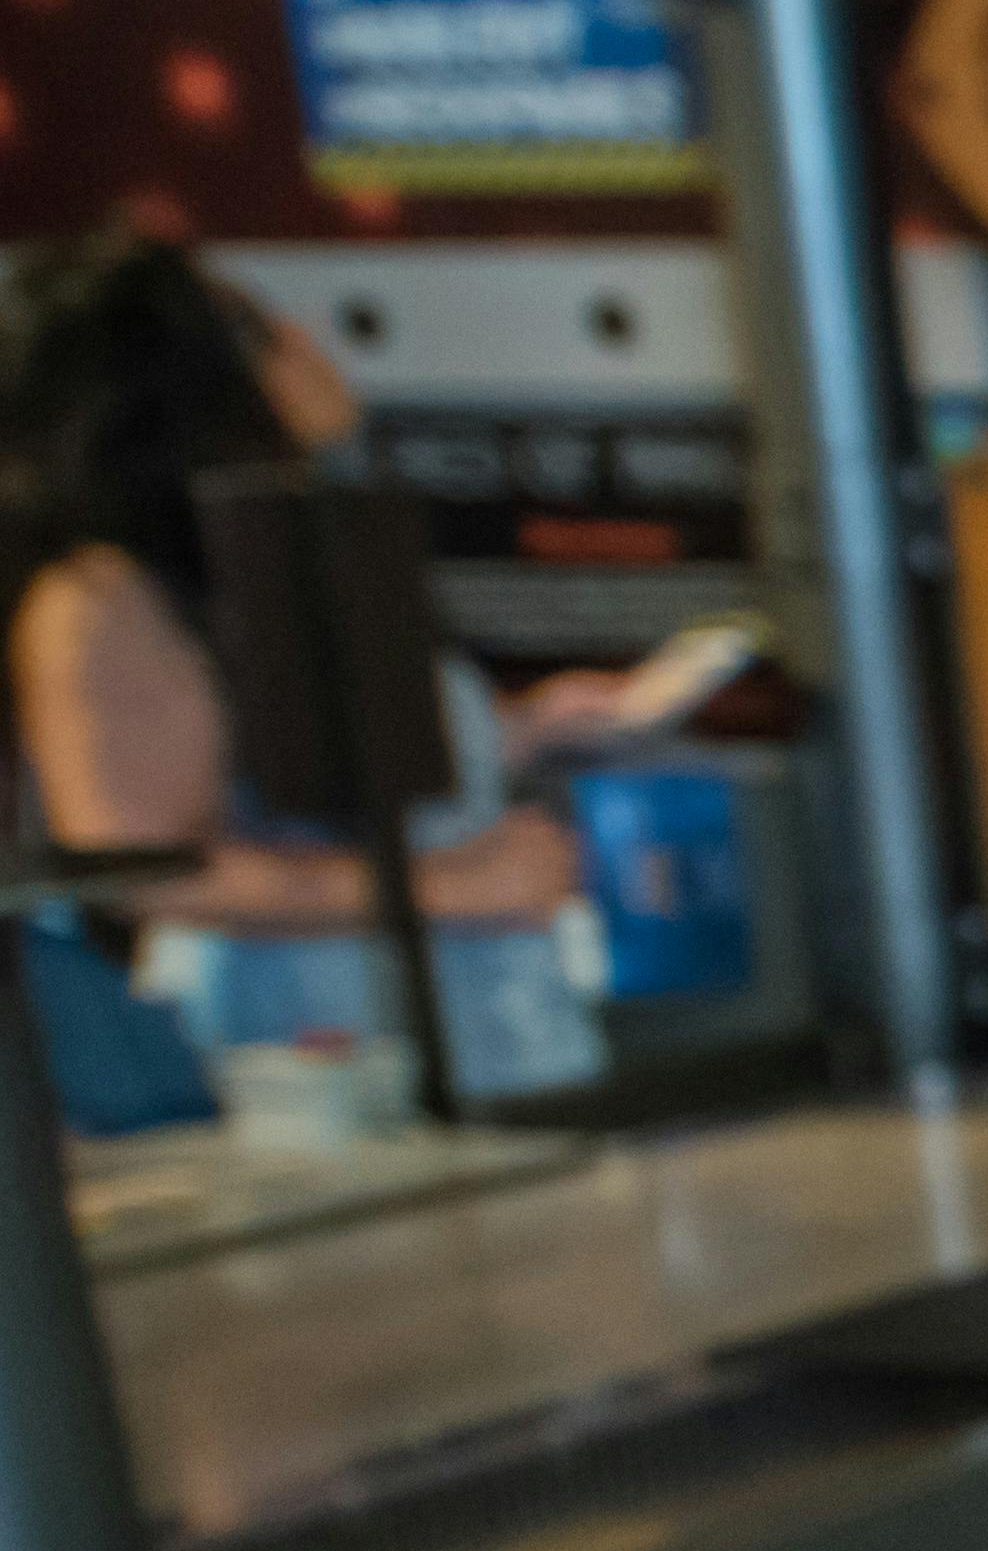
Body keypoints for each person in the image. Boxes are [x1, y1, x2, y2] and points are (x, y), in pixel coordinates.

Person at [0, 227, 604, 1103]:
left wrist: (521, 729)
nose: (304, 341)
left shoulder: (288, 544)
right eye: (259, 329)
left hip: (481, 1025)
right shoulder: (102, 596)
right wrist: (443, 888)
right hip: (310, 1057)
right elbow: (140, 867)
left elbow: (326, 763)